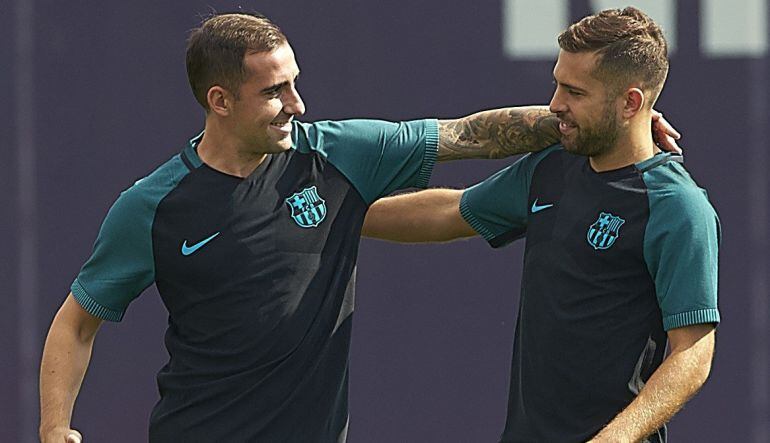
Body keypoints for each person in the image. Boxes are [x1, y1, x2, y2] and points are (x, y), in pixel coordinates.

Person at [38, 11, 680, 443]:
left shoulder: (338, 154)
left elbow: (470, 133)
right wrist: (53, 427)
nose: (298, 104)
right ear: (220, 101)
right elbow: (77, 320)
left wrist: (614, 126)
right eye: (275, 92)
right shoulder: (152, 204)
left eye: (295, 83)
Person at [363, 7, 718, 443]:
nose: (554, 104)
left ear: (630, 103)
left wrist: (613, 440)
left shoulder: (677, 206)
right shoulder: (554, 166)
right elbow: (450, 212)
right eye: (557, 83)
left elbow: (693, 352)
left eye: (575, 91)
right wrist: (342, 218)